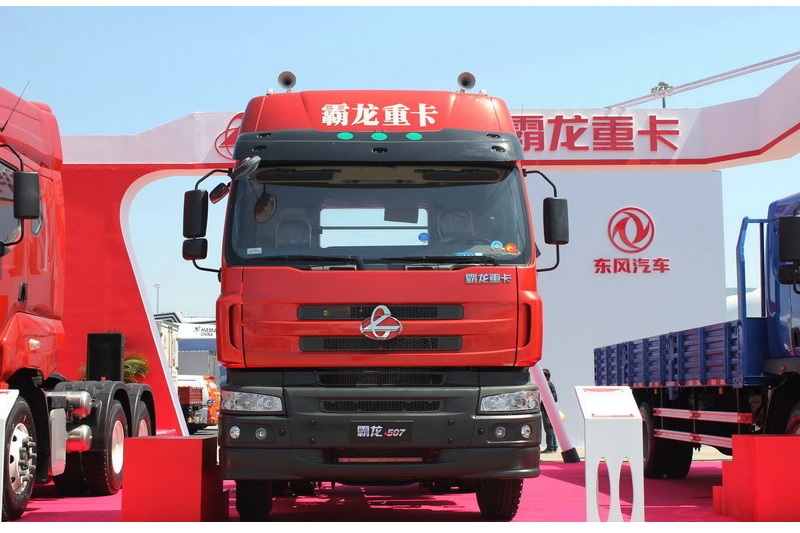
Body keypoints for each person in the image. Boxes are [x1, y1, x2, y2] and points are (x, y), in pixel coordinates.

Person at [542, 368, 558, 453]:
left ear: (546, 376)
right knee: (551, 428)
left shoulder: (547, 384)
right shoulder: (550, 384)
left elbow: (551, 398)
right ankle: (554, 446)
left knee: (548, 429)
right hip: (549, 409)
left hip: (547, 410)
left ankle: (550, 448)